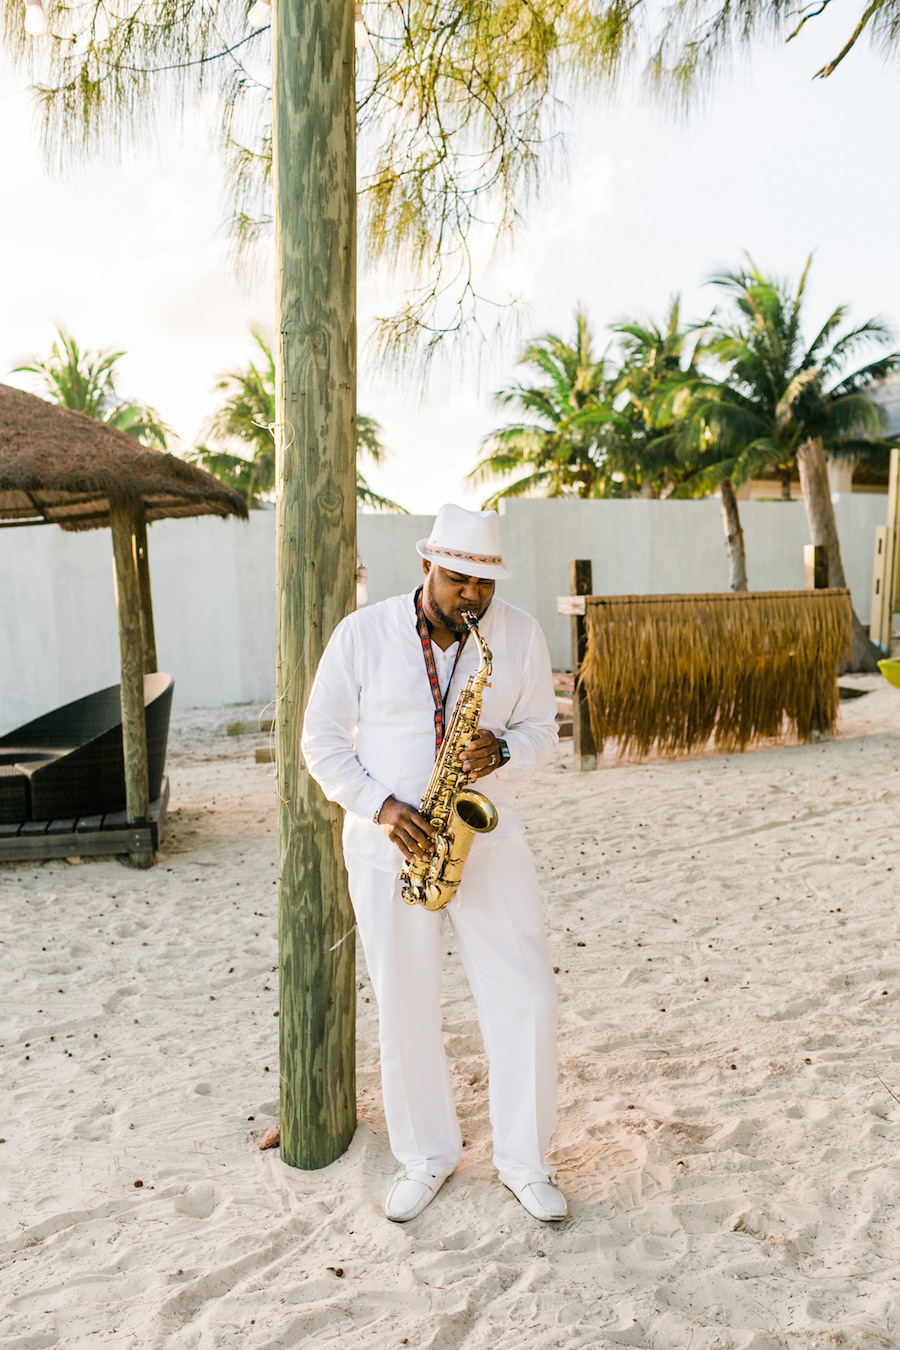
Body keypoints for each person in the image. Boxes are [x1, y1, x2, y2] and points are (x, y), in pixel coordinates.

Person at [301, 503, 566, 1223]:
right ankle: (426, 1155)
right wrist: (383, 807)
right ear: (427, 567)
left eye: (483, 582)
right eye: (458, 580)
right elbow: (320, 741)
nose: (473, 596)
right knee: (406, 1005)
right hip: (393, 845)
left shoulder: (520, 634)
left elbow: (545, 728)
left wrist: (505, 751)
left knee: (528, 996)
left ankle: (525, 1161)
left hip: (486, 838)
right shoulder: (362, 634)